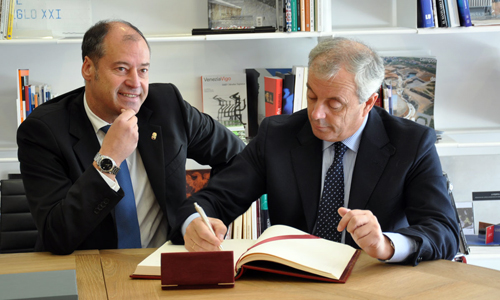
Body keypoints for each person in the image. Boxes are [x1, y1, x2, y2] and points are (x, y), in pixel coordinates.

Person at [174, 37, 460, 265]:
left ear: (369, 103)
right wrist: (195, 224)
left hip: (374, 279)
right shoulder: (278, 135)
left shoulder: (411, 143)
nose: (316, 114)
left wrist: (386, 244)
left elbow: (444, 231)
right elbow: (216, 199)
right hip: (295, 280)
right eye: (311, 96)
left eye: (334, 104)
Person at [16, 20, 245, 255]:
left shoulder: (168, 105)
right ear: (88, 68)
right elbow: (57, 236)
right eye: (121, 69)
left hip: (163, 264)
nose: (135, 83)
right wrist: (109, 160)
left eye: (143, 70)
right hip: (86, 270)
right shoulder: (43, 131)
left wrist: (199, 213)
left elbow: (239, 158)